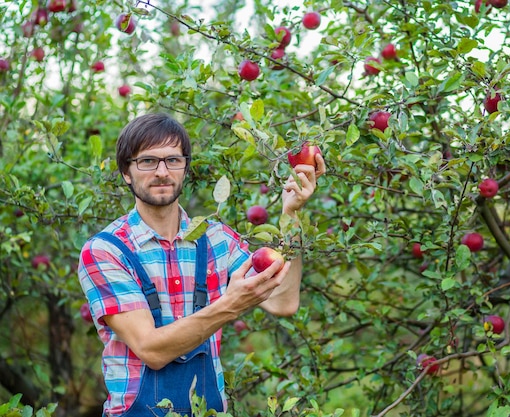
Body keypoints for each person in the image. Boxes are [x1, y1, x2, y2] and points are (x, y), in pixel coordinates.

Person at [78, 112, 325, 417]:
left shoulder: (216, 239)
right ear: (126, 172)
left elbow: (283, 301)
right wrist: (231, 305)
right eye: (147, 161)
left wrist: (291, 216)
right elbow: (151, 350)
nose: (161, 171)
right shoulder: (106, 251)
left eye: (173, 160)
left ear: (185, 167)